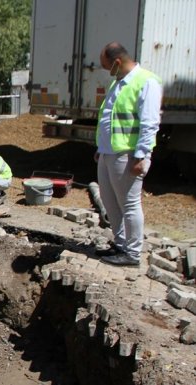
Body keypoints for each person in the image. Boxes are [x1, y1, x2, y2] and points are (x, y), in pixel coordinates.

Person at [94, 42, 162, 267]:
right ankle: (121, 244)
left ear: (117, 62)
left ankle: (132, 254)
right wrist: (101, 149)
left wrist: (141, 155)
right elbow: (110, 119)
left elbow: (150, 123)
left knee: (130, 204)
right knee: (109, 200)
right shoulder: (119, 83)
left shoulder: (146, 82)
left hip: (127, 155)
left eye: (107, 67)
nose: (106, 71)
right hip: (109, 153)